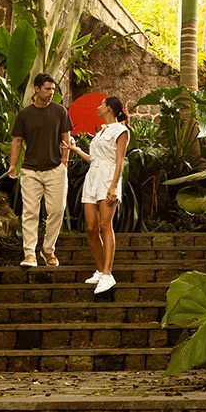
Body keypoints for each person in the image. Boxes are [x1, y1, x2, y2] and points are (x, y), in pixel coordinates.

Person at [7, 73, 72, 268]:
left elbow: (66, 137)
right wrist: (12, 165)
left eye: (53, 89)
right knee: (30, 212)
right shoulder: (24, 115)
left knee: (57, 210)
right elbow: (17, 141)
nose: (51, 92)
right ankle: (29, 254)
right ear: (36, 89)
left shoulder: (60, 111)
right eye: (47, 89)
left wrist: (64, 162)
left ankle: (48, 249)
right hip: (30, 171)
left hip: (55, 170)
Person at [69, 95, 129, 294]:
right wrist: (75, 149)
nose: (98, 107)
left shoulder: (121, 131)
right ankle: (100, 269)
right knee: (91, 227)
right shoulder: (101, 132)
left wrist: (113, 186)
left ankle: (107, 273)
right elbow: (94, 159)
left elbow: (119, 161)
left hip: (108, 179)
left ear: (110, 108)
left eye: (101, 104)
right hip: (93, 178)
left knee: (105, 225)